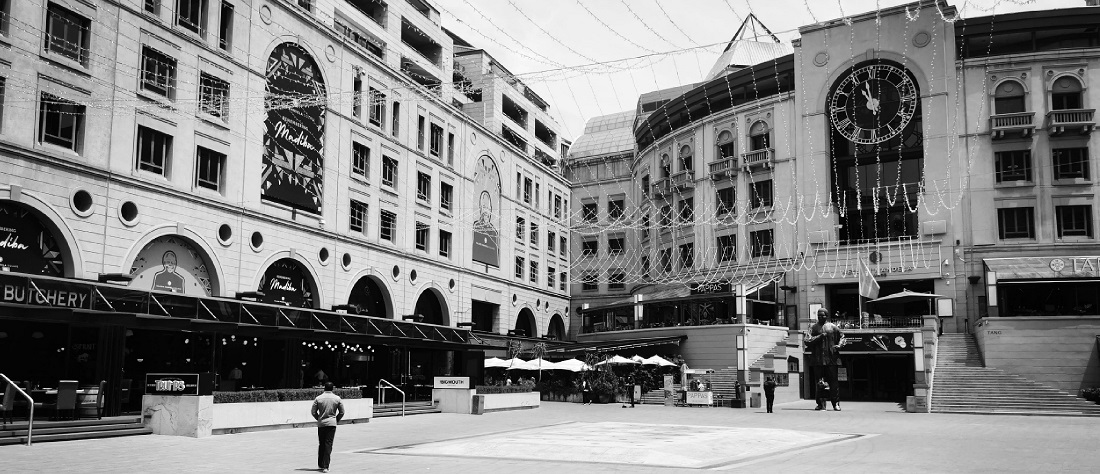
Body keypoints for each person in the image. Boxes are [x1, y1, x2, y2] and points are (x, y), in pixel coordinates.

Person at [805, 308, 845, 411]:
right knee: (819, 382)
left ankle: (836, 403)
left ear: (826, 316)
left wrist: (839, 345)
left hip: (831, 359)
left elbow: (843, 337)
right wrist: (820, 337)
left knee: (834, 382)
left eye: (822, 315)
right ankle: (820, 404)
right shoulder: (813, 328)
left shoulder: (833, 327)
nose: (820, 317)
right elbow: (807, 340)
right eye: (818, 315)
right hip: (818, 359)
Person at [311, 382, 345, 473]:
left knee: (321, 443)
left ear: (324, 388)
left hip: (321, 423)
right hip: (332, 424)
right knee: (328, 444)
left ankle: (320, 464)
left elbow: (313, 412)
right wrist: (336, 420)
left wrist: (318, 418)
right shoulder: (337, 398)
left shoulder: (318, 398)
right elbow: (342, 412)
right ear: (332, 388)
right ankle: (326, 466)